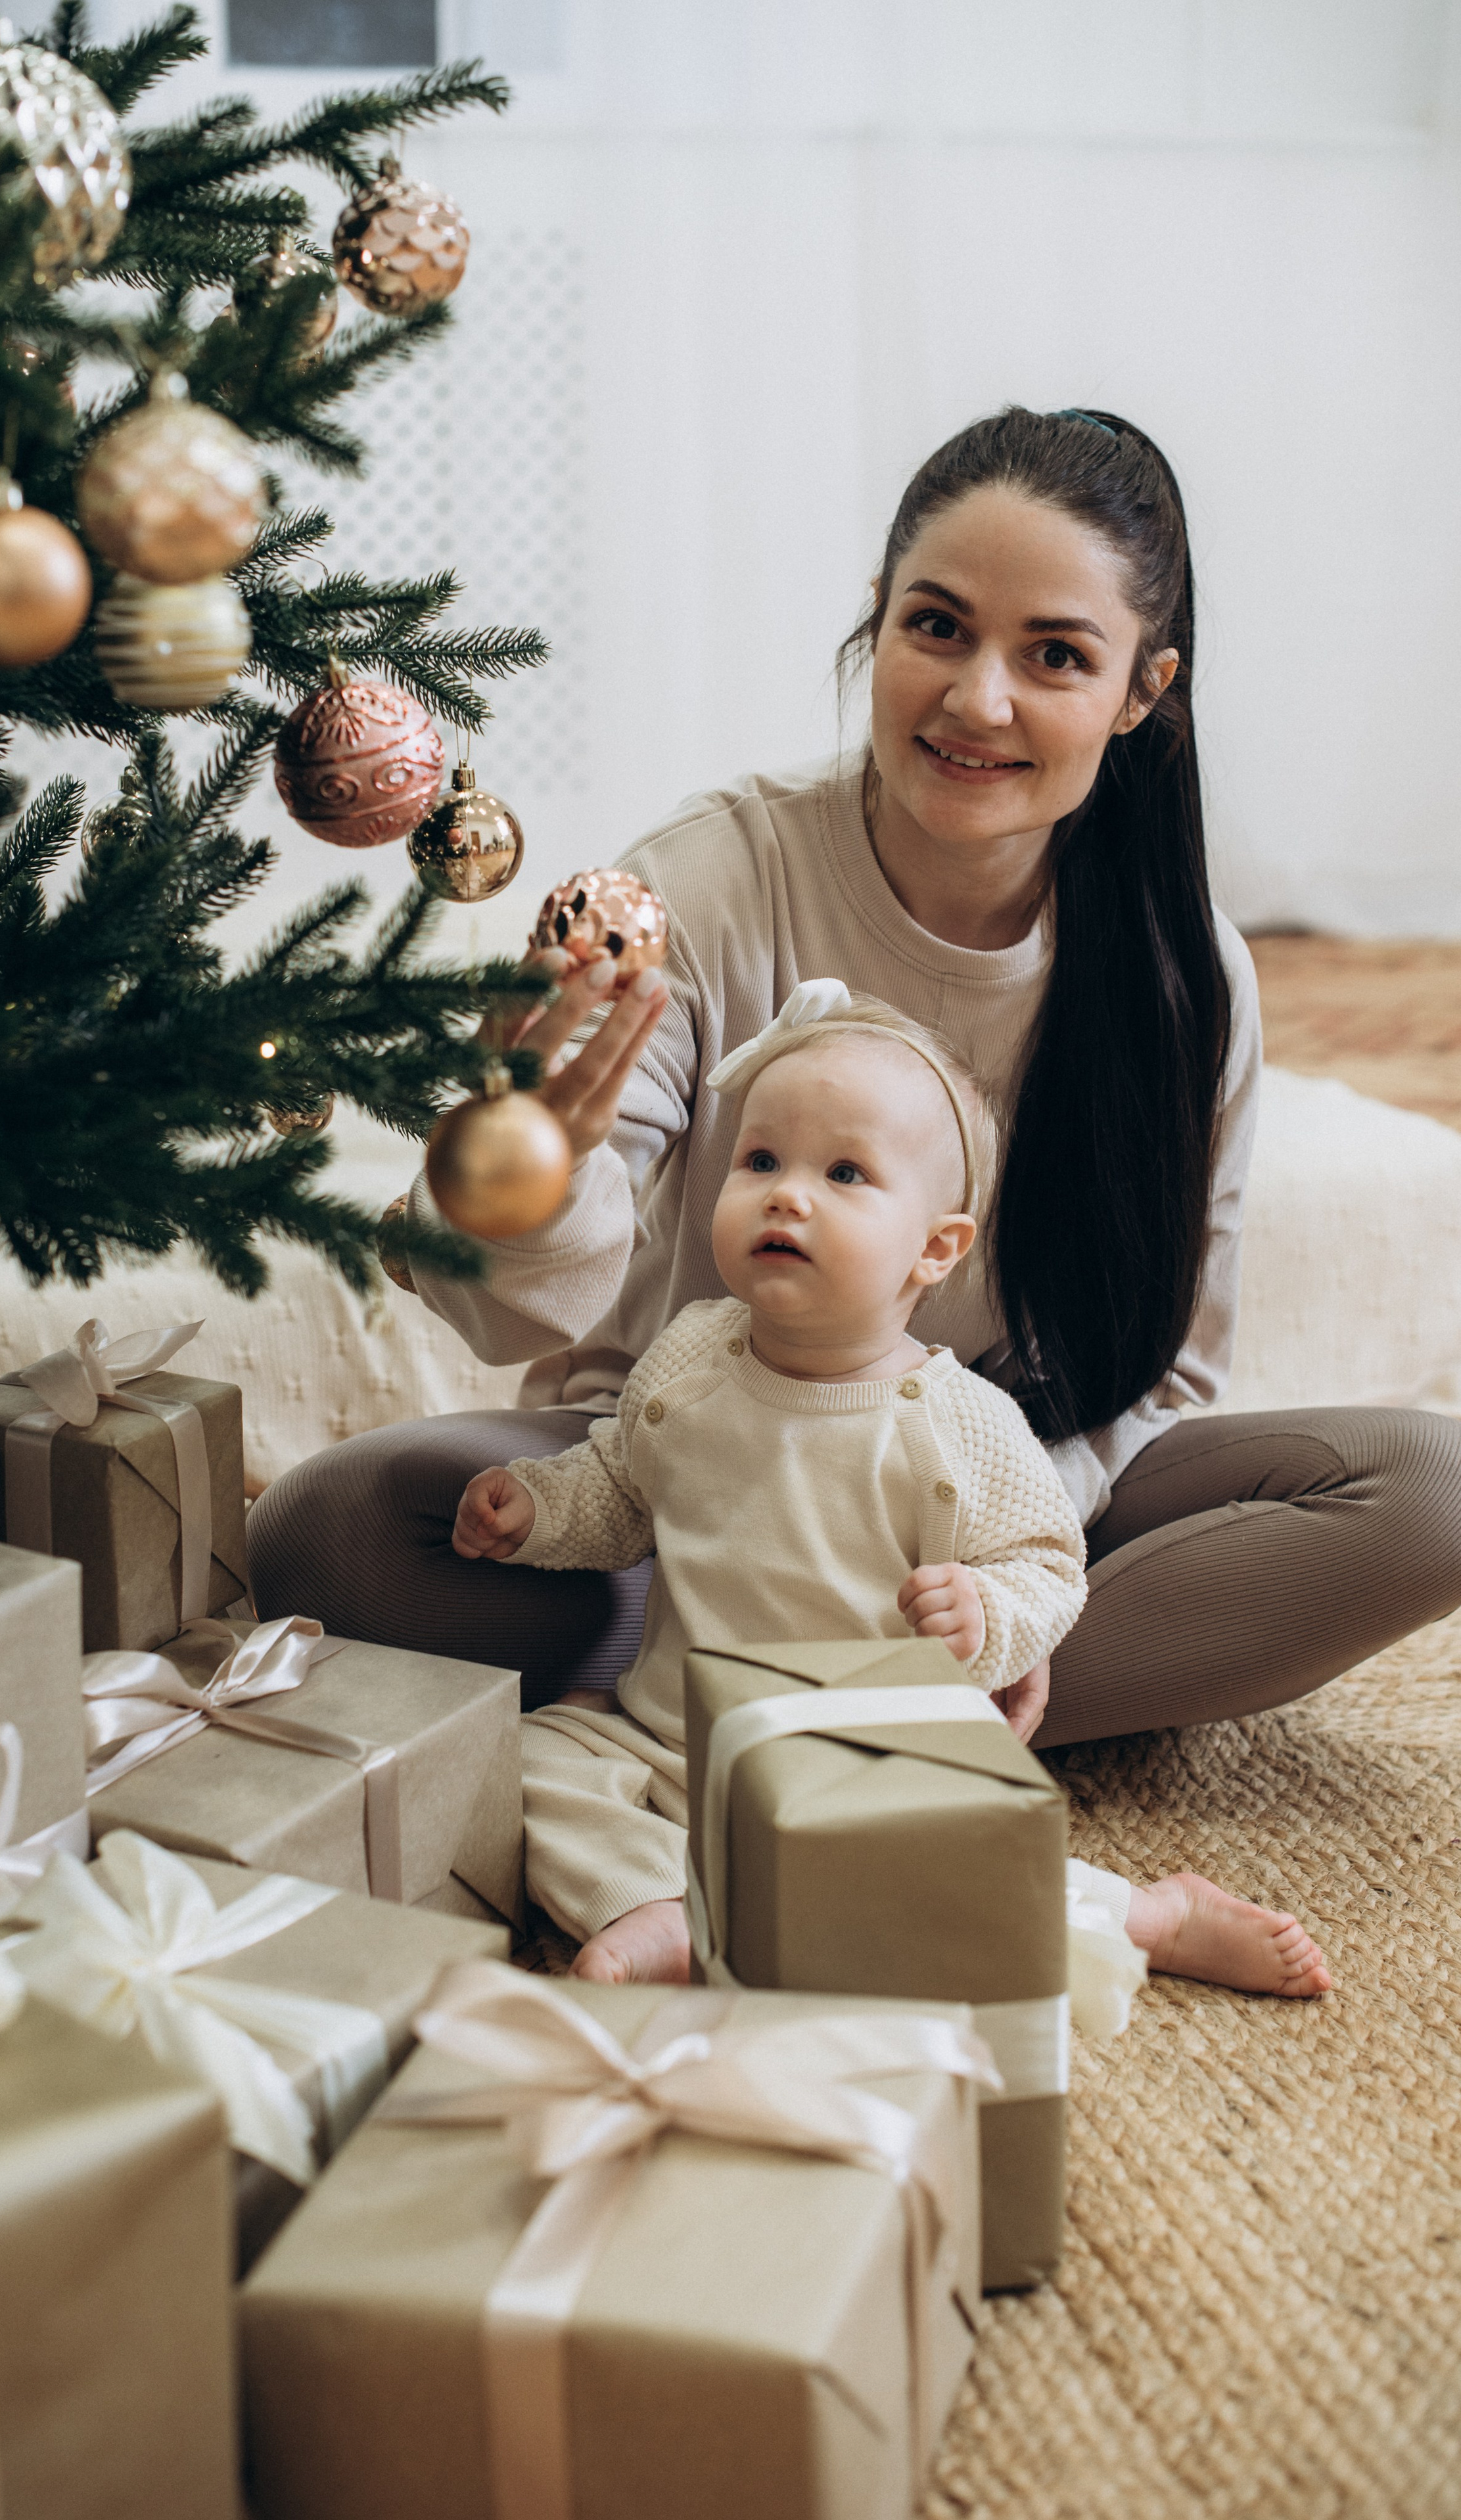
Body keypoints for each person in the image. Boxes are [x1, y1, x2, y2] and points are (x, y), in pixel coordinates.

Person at [248, 403, 1461, 1754]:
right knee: (331, 1531)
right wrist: (528, 1169)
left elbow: (1165, 1378)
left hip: (998, 1507)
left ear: (1141, 691)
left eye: (1056, 655)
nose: (977, 700)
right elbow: (507, 1319)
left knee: (1435, 1492)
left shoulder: (1188, 973)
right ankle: (861, 1712)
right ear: (877, 618)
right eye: (937, 626)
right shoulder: (709, 882)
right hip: (682, 1489)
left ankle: (792, 1701)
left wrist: (1004, 1585)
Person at [450, 989, 1331, 2000]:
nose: (787, 1196)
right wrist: (537, 1511)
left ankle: (1147, 1915)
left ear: (935, 1248)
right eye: (761, 1161)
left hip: (860, 1755)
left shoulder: (959, 1422)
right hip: (670, 1735)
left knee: (943, 1863)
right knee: (528, 1762)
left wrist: (985, 1613)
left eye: (844, 1174)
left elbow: (1049, 1566)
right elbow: (622, 1485)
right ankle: (660, 1902)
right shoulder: (691, 1357)